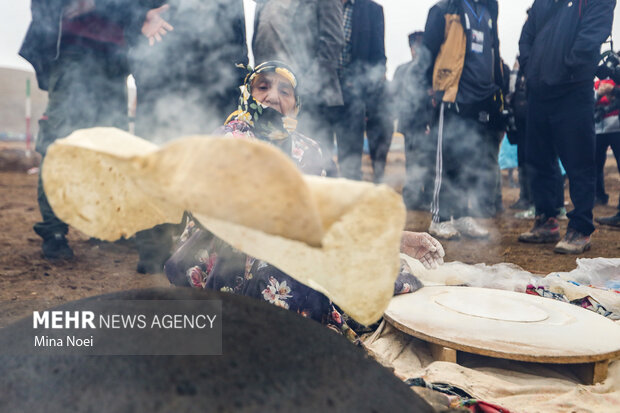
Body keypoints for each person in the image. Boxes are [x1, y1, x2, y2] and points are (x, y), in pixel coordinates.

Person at [164, 61, 445, 340]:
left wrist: (398, 239)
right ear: (248, 94)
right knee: (282, 275)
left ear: (296, 104)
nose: (273, 96)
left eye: (285, 91)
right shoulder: (229, 139)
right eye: (263, 87)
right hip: (233, 253)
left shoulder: (309, 150)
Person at [19, 0, 173, 260]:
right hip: (72, 52)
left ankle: (103, 227)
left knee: (111, 147)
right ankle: (54, 231)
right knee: (59, 143)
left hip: (115, 58)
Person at [128, 0, 248, 274]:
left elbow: (236, 30)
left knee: (207, 171)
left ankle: (200, 251)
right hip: (163, 79)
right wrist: (140, 19)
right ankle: (153, 250)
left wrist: (236, 73)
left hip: (214, 83)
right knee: (159, 165)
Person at [517, 0, 616, 254]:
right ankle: (546, 219)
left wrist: (566, 69)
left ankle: (580, 228)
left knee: (579, 161)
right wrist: (532, 70)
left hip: (573, 89)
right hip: (539, 91)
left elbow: (592, 35)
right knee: (538, 159)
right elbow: (526, 36)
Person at [423, 0, 506, 240]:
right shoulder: (443, 10)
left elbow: (494, 50)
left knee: (469, 162)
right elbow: (426, 55)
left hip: (480, 99)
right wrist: (429, 91)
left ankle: (461, 215)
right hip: (451, 95)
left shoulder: (488, 10)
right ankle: (439, 218)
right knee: (445, 161)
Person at [252, 0, 344, 175]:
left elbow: (332, 42)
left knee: (316, 169)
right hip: (270, 106)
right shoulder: (263, 3)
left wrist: (302, 89)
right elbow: (258, 47)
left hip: (311, 101)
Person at [333, 0, 391, 182]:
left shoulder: (372, 10)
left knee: (350, 165)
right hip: (322, 92)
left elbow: (379, 59)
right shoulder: (322, 5)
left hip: (353, 97)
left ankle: (351, 205)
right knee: (317, 157)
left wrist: (362, 87)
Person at [390, 31, 435, 211]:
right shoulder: (402, 69)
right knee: (412, 160)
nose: (415, 50)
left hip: (426, 124)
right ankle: (412, 196)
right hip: (410, 123)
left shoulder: (428, 70)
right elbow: (394, 95)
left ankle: (427, 196)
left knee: (428, 161)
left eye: (418, 46)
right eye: (413, 46)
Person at [594, 78, 620, 226]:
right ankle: (599, 195)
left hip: (616, 127)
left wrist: (612, 91)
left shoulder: (616, 79)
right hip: (599, 128)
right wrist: (598, 94)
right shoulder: (598, 84)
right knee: (595, 164)